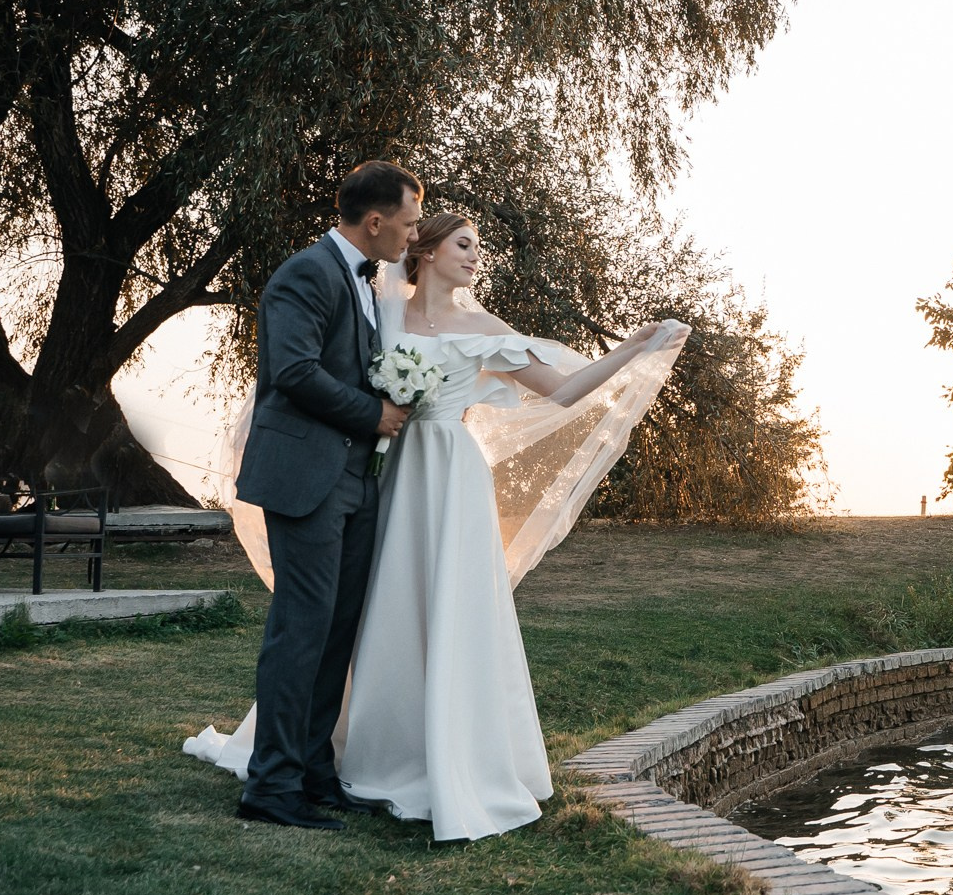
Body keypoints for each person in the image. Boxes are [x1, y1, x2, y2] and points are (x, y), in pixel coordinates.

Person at [335, 212, 683, 840]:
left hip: (454, 473)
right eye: (463, 246)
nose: (474, 257)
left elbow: (565, 391)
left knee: (454, 602)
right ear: (429, 250)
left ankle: (457, 754)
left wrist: (629, 349)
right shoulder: (382, 313)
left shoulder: (484, 328)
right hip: (395, 472)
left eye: (478, 249)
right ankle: (374, 747)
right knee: (385, 597)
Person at [233, 161, 422, 831]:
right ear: (375, 221)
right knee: (300, 631)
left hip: (352, 481)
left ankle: (313, 770)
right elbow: (292, 371)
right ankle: (270, 787)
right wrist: (371, 415)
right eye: (407, 221)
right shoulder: (306, 273)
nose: (412, 233)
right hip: (305, 478)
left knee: (335, 633)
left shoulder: (368, 279)